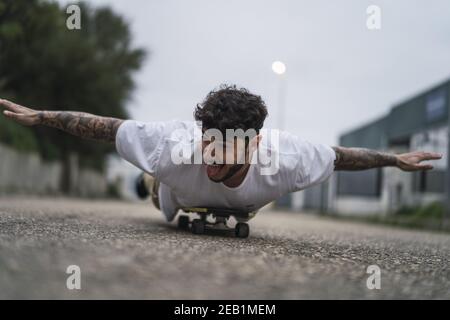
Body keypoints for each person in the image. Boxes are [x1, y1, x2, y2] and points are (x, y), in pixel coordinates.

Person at [0, 85, 442, 222]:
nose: (210, 154)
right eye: (206, 140)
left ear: (253, 144)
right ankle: (148, 184)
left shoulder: (288, 158)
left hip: (248, 199)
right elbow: (105, 127)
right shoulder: (176, 147)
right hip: (173, 188)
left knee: (251, 198)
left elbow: (341, 156)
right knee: (156, 186)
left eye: (223, 145)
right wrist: (42, 117)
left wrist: (392, 159)